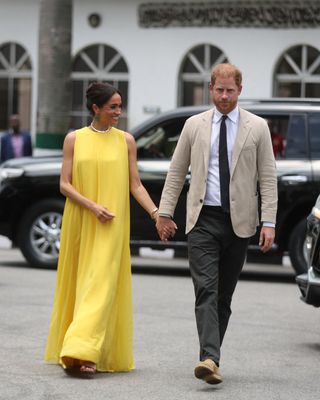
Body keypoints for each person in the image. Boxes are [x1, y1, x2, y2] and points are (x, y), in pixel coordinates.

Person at [156, 63, 277, 385]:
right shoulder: (194, 125)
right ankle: (209, 358)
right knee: (206, 290)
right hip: (202, 219)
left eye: (230, 91)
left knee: (224, 296)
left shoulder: (257, 127)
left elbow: (267, 178)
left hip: (240, 222)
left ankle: (212, 357)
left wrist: (269, 221)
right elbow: (176, 171)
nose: (224, 96)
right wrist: (164, 212)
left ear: (240, 90)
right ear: (210, 89)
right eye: (219, 90)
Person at [45, 82, 159, 377]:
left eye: (120, 106)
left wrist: (156, 213)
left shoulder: (126, 141)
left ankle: (84, 351)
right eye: (113, 107)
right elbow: (64, 184)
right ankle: (76, 349)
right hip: (82, 220)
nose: (118, 112)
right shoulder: (74, 139)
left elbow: (135, 185)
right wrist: (92, 206)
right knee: (84, 284)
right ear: (95, 108)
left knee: (101, 285)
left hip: (112, 224)